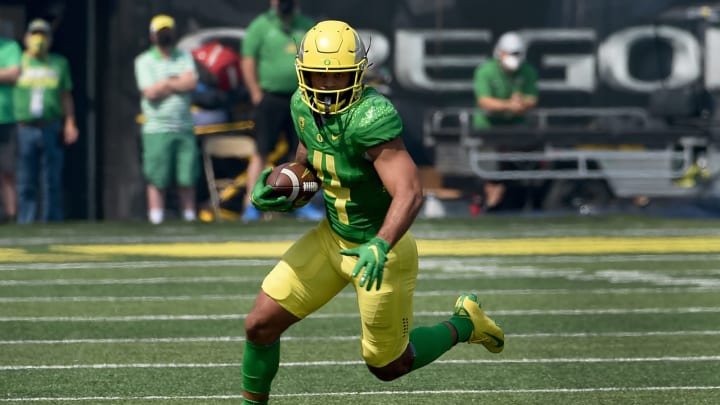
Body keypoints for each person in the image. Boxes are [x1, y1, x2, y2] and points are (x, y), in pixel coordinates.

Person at [241, 20, 505, 404]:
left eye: (339, 77)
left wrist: (380, 243)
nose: (328, 87)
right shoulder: (301, 104)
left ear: (358, 74)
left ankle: (465, 324)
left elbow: (410, 192)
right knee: (259, 325)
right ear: (303, 73)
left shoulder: (371, 116)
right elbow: (309, 161)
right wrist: (290, 189)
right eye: (319, 76)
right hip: (331, 238)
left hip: (380, 252)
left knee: (388, 365)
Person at [239, 0, 323, 222]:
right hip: (271, 98)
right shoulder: (261, 25)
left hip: (302, 98)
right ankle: (251, 203)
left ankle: (302, 201)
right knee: (261, 151)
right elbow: (248, 59)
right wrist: (256, 93)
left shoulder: (306, 25)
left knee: (304, 151)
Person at [134, 14, 199, 224]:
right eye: (161, 32)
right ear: (153, 36)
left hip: (184, 127)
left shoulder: (184, 57)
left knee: (187, 177)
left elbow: (191, 84)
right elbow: (150, 92)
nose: (165, 36)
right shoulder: (144, 61)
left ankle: (189, 217)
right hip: (156, 129)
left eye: (168, 31)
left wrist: (165, 84)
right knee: (157, 178)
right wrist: (176, 82)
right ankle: (156, 218)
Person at [13, 18, 78, 224]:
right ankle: (26, 220)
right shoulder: (18, 62)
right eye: (35, 34)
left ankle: (51, 220)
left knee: (51, 179)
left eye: (43, 34)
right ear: (26, 38)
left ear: (50, 39)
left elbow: (65, 95)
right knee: (26, 180)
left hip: (50, 125)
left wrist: (70, 122)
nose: (38, 39)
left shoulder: (59, 63)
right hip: (25, 127)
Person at [473, 31, 540, 212]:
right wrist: (508, 105)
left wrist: (521, 104)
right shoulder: (486, 70)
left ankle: (511, 199)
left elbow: (532, 98)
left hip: (516, 129)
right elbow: (484, 100)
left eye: (517, 54)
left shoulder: (527, 71)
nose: (513, 58)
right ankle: (489, 200)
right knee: (490, 169)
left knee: (517, 167)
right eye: (510, 53)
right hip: (489, 128)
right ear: (500, 53)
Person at [0, 33, 21, 223]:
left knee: (8, 170)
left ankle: (11, 215)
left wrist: (7, 74)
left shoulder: (10, 47)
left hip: (6, 119)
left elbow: (14, 74)